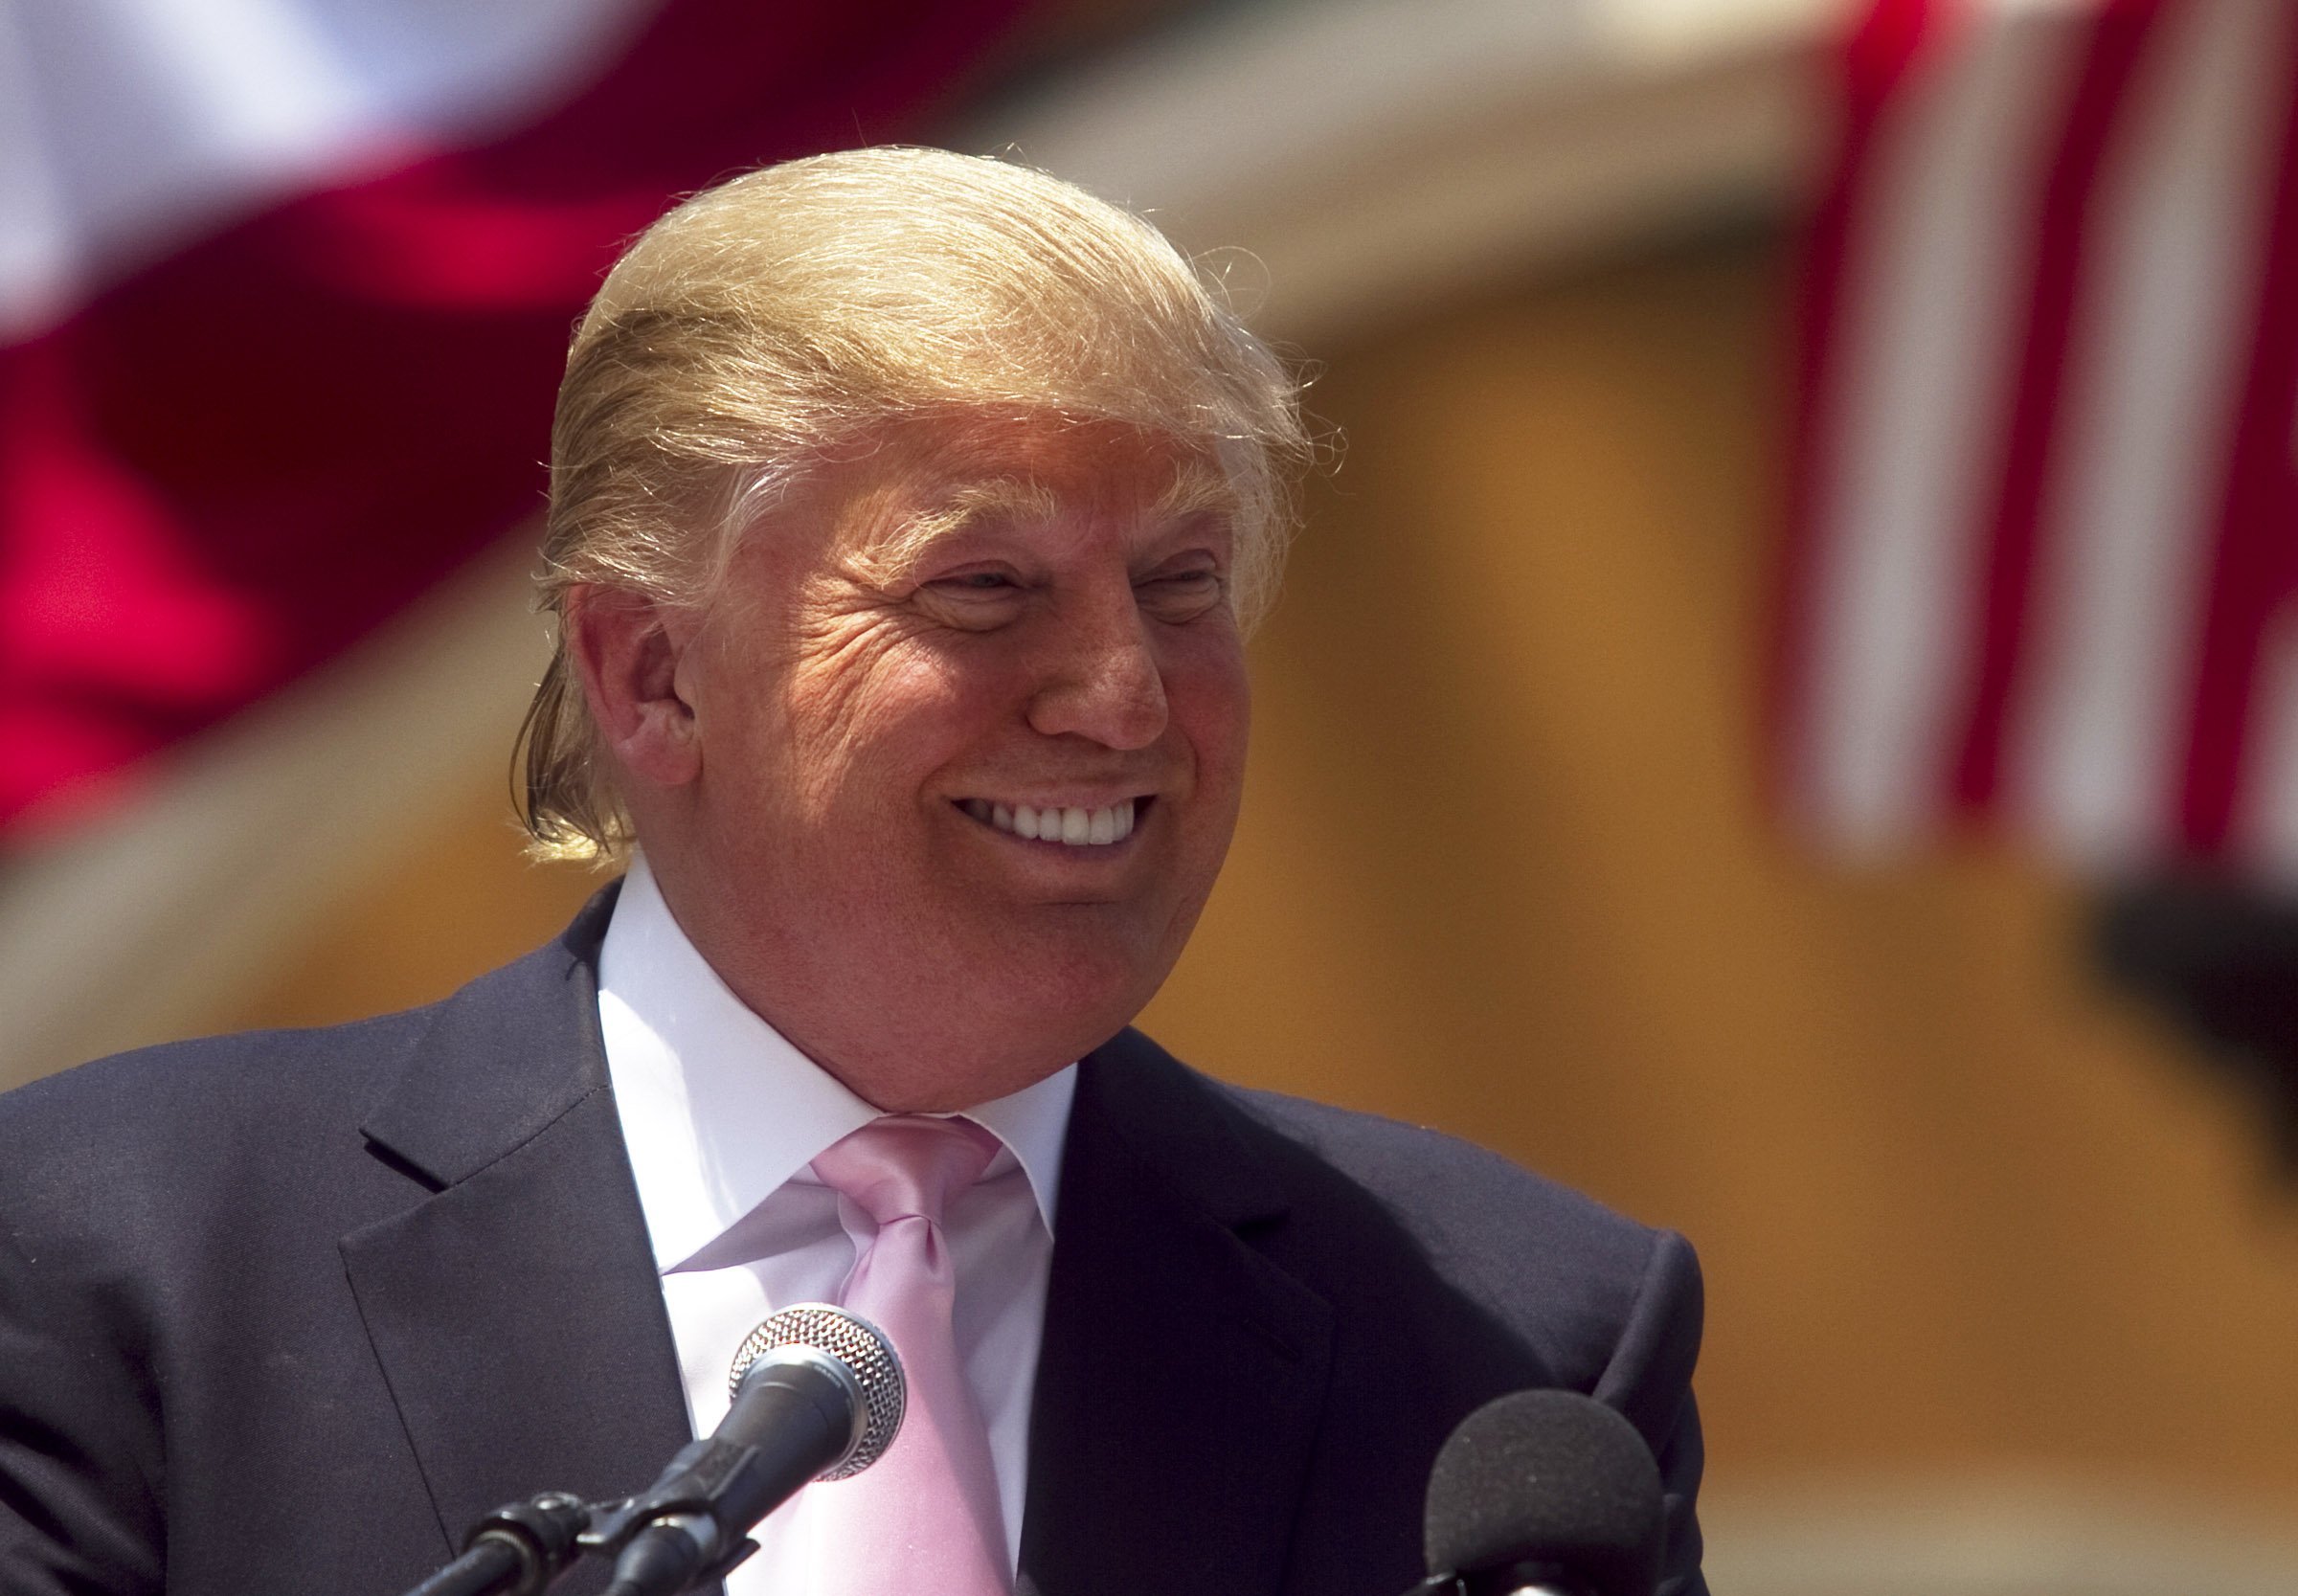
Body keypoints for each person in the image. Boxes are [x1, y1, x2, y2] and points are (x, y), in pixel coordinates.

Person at [0, 147, 1706, 1596]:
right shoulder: (108, 1262)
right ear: (653, 672)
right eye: (984, 589)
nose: (1124, 697)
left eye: (1182, 584)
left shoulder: (1520, 1345)